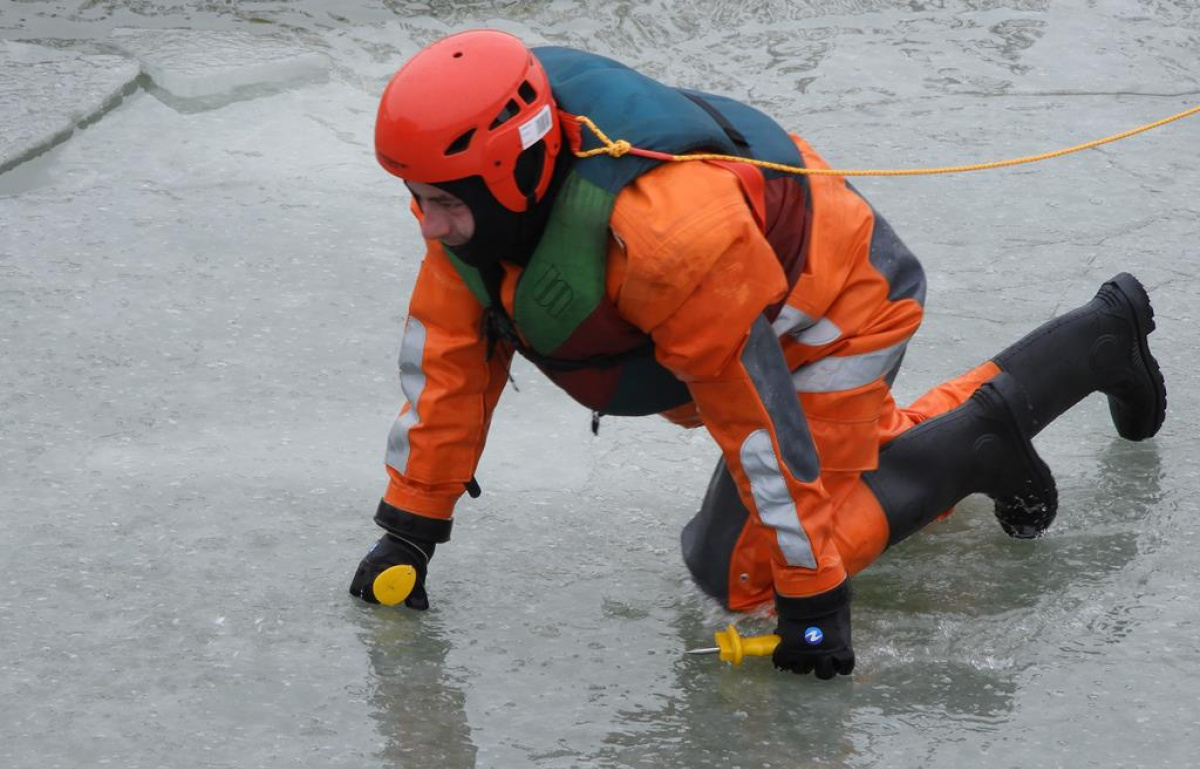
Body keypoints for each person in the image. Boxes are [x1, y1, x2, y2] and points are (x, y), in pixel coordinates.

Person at [349, 29, 1167, 680]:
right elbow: (448, 362)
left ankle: (982, 441)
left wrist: (814, 603)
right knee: (800, 505)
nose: (428, 224)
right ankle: (1095, 341)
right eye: (418, 199)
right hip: (757, 309)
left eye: (442, 202)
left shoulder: (667, 238)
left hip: (838, 313)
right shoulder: (480, 210)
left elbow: (757, 422)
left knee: (743, 579)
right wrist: (411, 529)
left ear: (508, 169)